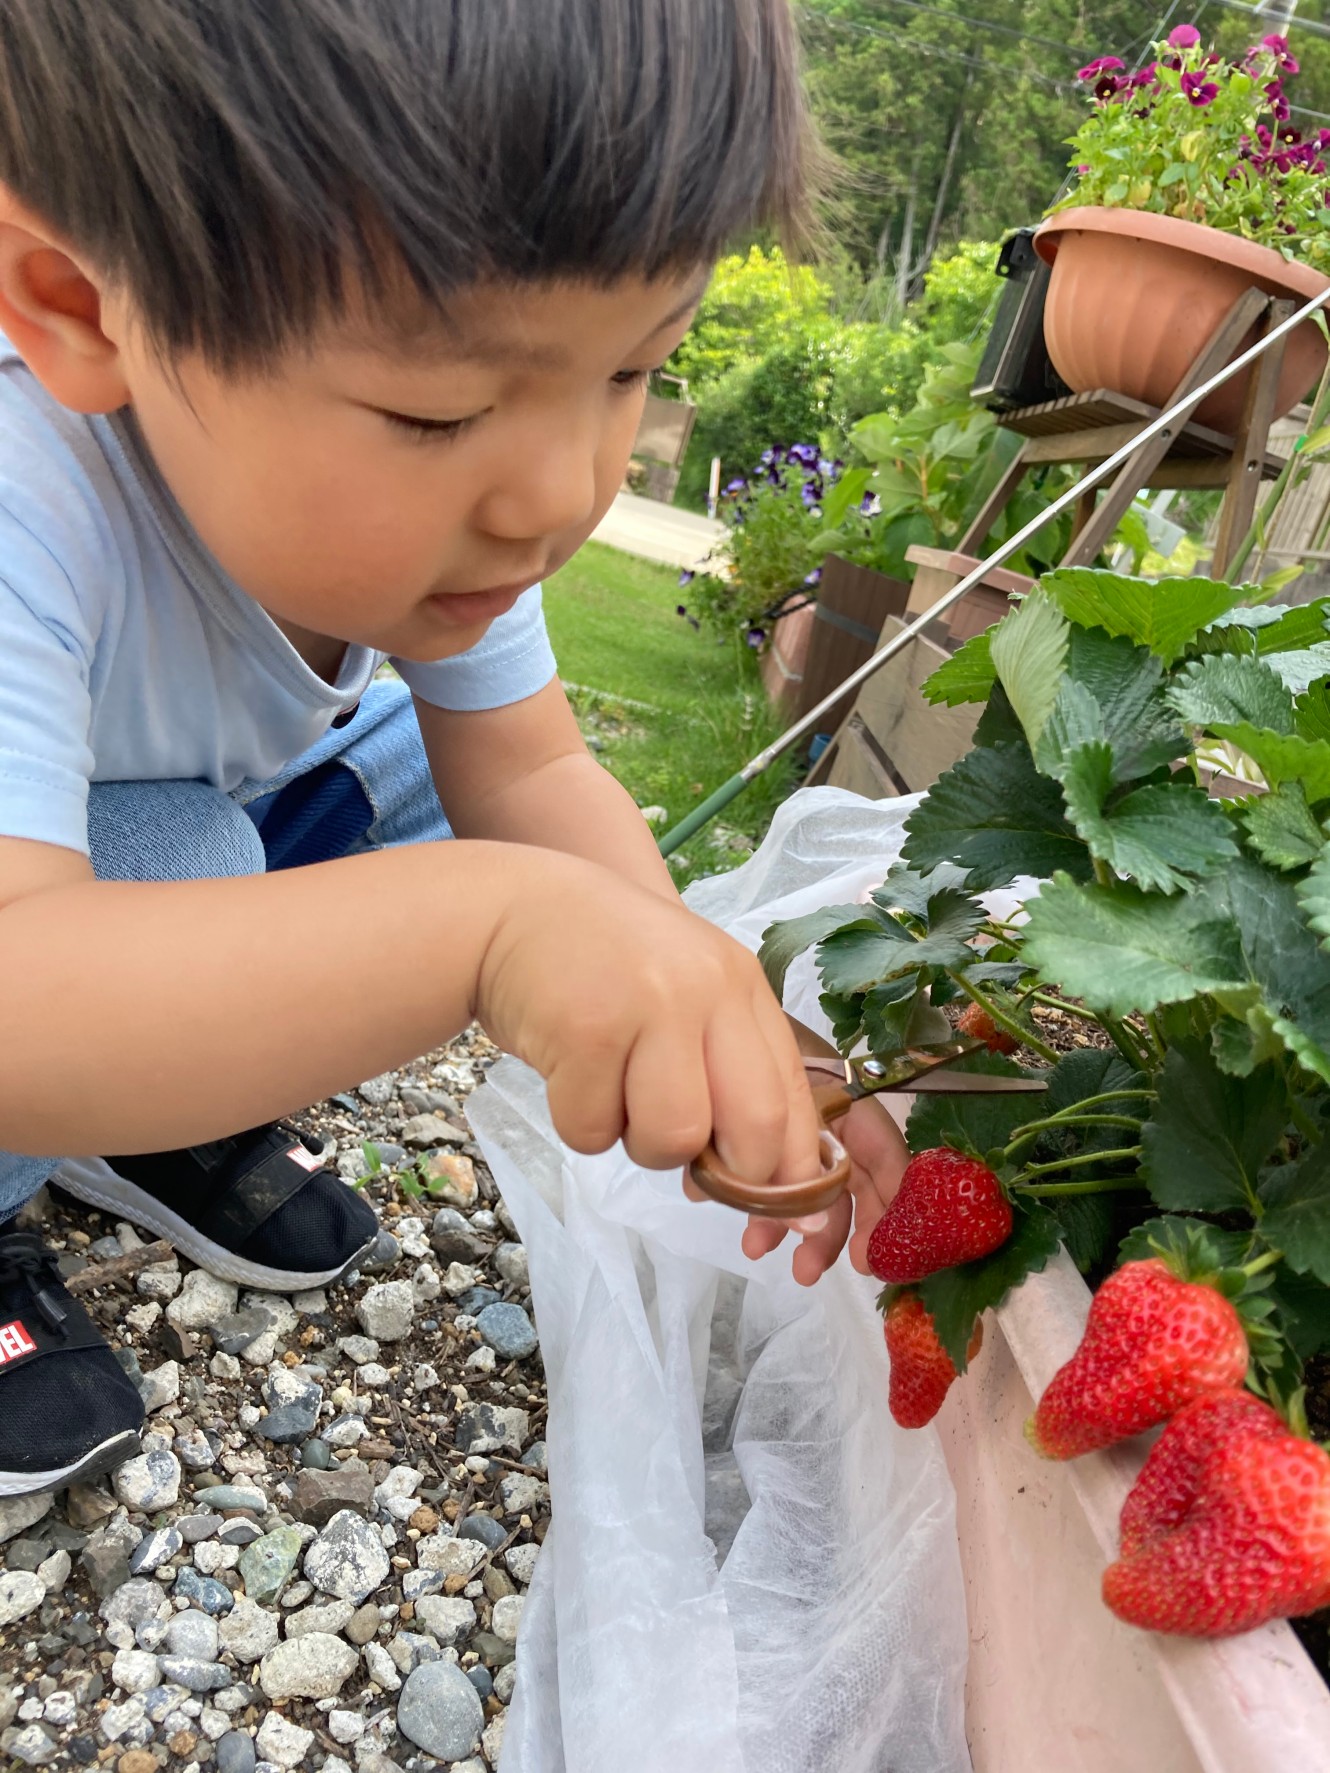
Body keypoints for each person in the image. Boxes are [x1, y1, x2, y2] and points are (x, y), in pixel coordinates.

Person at [0, 0, 907, 1497]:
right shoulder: (31, 495)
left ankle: (154, 1111)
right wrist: (497, 931)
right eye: (437, 411)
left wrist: (708, 1004)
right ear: (85, 307)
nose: (557, 493)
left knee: (438, 795)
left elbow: (535, 775)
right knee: (202, 864)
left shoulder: (445, 540)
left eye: (631, 372)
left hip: (116, 824)